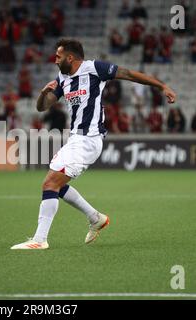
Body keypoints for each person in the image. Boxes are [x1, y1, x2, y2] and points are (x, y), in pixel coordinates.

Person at [11, 38, 176, 250]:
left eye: (58, 56)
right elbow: (43, 107)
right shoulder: (63, 77)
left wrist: (162, 86)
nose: (55, 60)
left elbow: (129, 74)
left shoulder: (94, 68)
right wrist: (44, 93)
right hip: (76, 139)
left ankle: (39, 240)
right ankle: (95, 217)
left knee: (49, 184)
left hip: (89, 139)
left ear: (70, 57)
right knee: (56, 185)